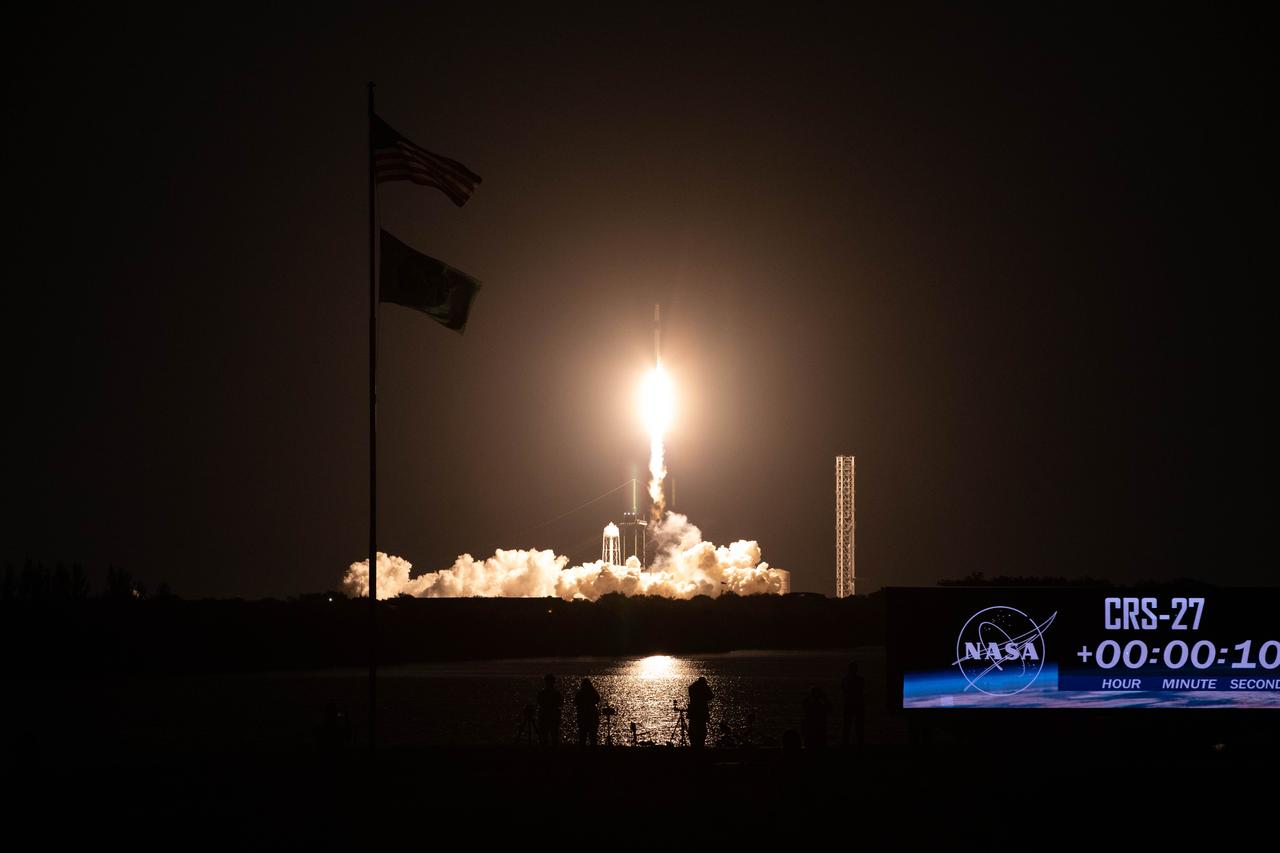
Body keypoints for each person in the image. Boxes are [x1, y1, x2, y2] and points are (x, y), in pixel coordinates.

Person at [842, 661, 866, 747]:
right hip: (858, 704)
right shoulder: (860, 679)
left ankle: (845, 742)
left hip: (849, 703)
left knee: (847, 725)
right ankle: (859, 742)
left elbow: (844, 690)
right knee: (858, 726)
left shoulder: (845, 679)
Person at [536, 673, 562, 747]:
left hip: (545, 716)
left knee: (545, 736)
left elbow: (539, 702)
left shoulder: (542, 693)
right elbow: (560, 703)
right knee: (553, 735)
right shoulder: (556, 693)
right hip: (552, 716)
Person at [687, 676, 713, 749]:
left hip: (693, 713)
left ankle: (693, 746)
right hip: (701, 713)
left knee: (693, 730)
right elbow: (711, 696)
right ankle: (700, 746)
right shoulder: (703, 688)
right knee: (702, 731)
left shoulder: (692, 688)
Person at [574, 678, 601, 746]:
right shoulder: (593, 692)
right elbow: (597, 699)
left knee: (583, 736)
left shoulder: (580, 693)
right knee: (592, 737)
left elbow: (575, 702)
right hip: (592, 716)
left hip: (583, 716)